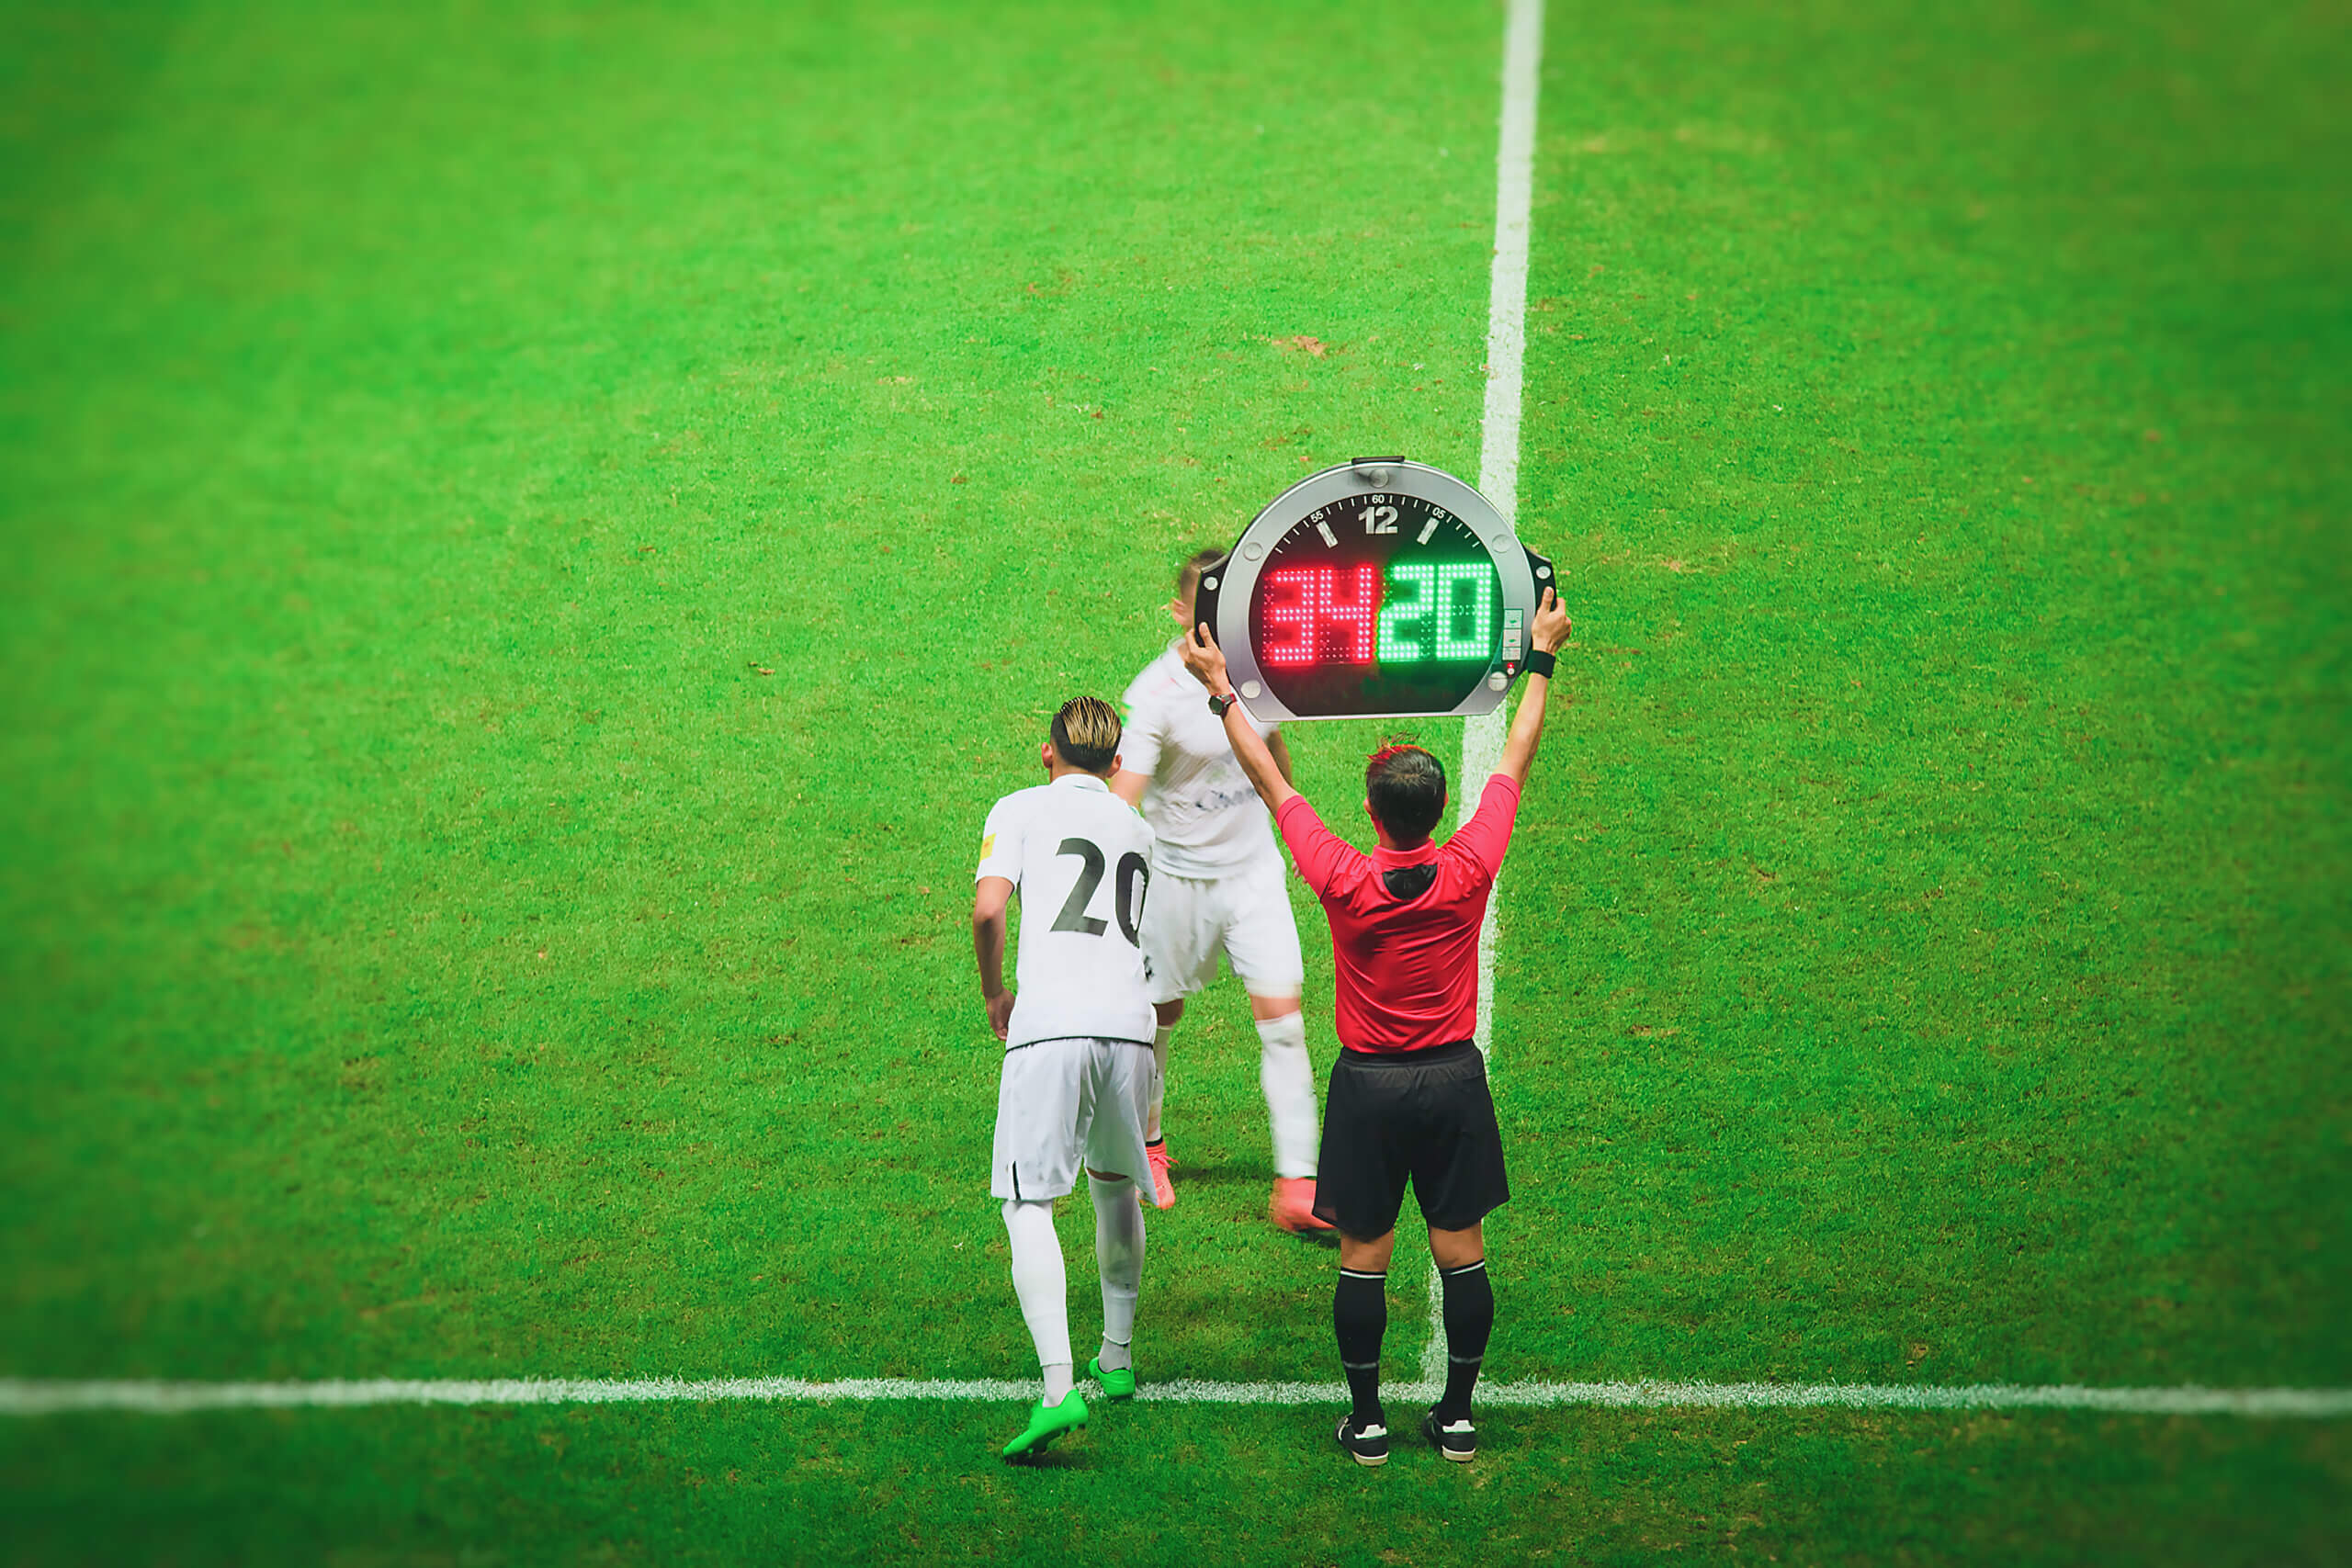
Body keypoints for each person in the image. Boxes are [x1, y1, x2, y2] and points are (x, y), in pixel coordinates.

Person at [1176, 587, 1573, 1466]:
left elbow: (1269, 776)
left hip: (1368, 1086)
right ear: (1439, 812)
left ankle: (1365, 1422)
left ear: (1373, 814)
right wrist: (1540, 654)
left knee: (1363, 1258)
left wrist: (1218, 686)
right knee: (1462, 1254)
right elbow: (1517, 749)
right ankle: (1459, 1416)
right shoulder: (1470, 866)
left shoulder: (1339, 874)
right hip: (1453, 1082)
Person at [1112, 549, 1330, 1233]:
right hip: (1176, 882)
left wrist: (1292, 821)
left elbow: (1269, 744)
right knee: (1156, 1021)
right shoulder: (1154, 697)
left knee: (1285, 1024)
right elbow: (1123, 802)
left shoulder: (1260, 662)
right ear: (1180, 612)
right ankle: (1148, 1143)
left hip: (1252, 875)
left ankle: (1298, 1183)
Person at [972, 696, 1159, 1461]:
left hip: (1052, 1026)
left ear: (1046, 752)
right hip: (1132, 1028)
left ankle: (1056, 1390)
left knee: (1026, 1200)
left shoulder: (1018, 807)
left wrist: (994, 993)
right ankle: (1115, 1356)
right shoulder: (1139, 827)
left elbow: (988, 911)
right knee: (1112, 1183)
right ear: (1117, 766)